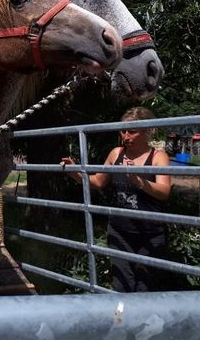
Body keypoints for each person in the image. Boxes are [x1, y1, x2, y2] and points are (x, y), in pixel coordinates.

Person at [61, 107, 171, 292]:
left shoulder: (158, 157)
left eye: (132, 131)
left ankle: (143, 322)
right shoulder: (116, 153)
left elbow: (164, 192)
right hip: (119, 231)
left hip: (150, 234)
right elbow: (98, 181)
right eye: (123, 130)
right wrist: (76, 174)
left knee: (145, 288)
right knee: (120, 285)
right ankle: (121, 321)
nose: (126, 136)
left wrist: (140, 182)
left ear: (147, 130)